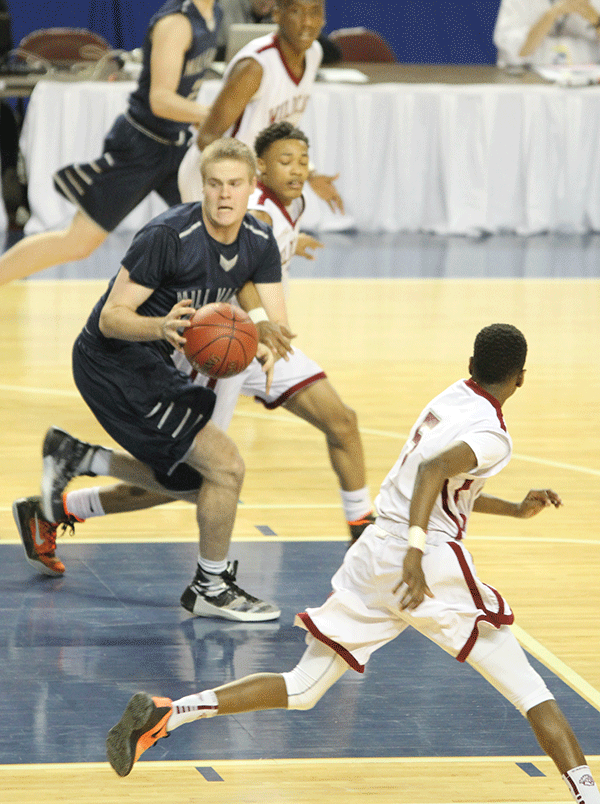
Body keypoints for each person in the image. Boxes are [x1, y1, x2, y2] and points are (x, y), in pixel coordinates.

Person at [106, 323, 599, 804]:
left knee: (303, 687)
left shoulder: (451, 398)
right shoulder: (493, 434)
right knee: (528, 688)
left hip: (375, 555)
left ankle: (170, 713)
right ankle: (588, 795)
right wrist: (415, 551)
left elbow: (439, 481)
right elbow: (432, 472)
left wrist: (514, 508)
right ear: (521, 378)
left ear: (471, 366)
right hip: (421, 564)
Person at [14, 138, 291, 623]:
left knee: (189, 481)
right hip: (113, 360)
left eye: (235, 185)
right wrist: (159, 327)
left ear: (252, 188)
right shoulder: (168, 236)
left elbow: (266, 311)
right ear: (201, 187)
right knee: (224, 468)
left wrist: (262, 336)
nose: (224, 195)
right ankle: (210, 586)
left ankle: (79, 458)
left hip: (154, 367)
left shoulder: (260, 239)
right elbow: (110, 319)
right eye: (214, 184)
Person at [174, 121, 374, 542]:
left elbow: (270, 244)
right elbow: (240, 269)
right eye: (286, 161)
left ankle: (363, 531)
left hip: (263, 343)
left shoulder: (293, 206)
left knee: (342, 422)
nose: (298, 169)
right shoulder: (260, 211)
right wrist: (262, 324)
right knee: (191, 476)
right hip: (222, 344)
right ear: (261, 168)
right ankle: (66, 507)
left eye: (303, 160)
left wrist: (292, 244)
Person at [0, 0, 221, 282]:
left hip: (176, 145)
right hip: (143, 146)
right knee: (78, 242)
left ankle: (236, 311)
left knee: (215, 224)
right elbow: (161, 100)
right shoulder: (176, 23)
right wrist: (217, 114)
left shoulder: (214, 14)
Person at [178, 0, 345, 216]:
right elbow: (207, 138)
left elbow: (281, 132)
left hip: (253, 179)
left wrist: (310, 174)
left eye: (315, 12)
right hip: (216, 177)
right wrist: (236, 189)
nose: (307, 22)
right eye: (296, 11)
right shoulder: (255, 66)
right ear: (277, 14)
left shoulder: (313, 54)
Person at [214, 0, 341, 64]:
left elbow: (333, 53)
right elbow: (210, 51)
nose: (266, 2)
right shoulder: (227, 6)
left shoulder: (284, 12)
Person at [494, 0, 600, 67]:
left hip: (589, 82)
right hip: (530, 80)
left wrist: (595, 19)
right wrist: (551, 15)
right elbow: (520, 51)